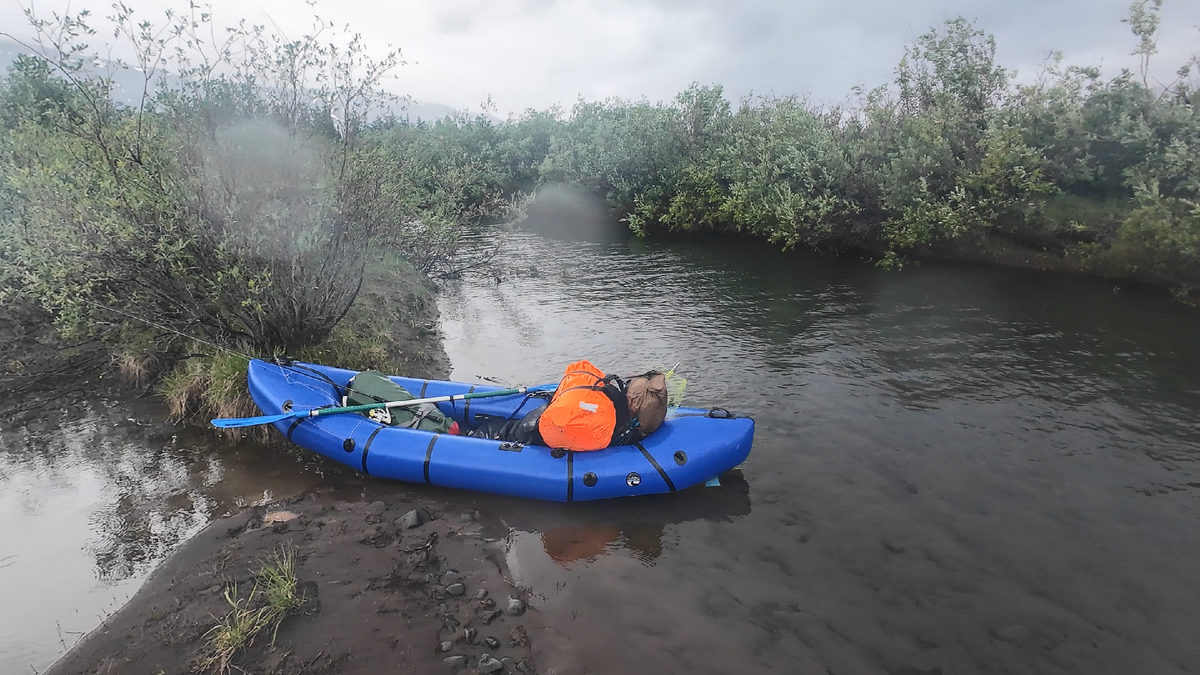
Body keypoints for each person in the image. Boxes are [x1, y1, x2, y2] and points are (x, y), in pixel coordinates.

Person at [459, 362, 668, 449]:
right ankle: (458, 437)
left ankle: (464, 433)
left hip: (537, 420)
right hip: (533, 432)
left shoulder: (608, 389)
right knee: (494, 435)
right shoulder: (609, 425)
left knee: (503, 429)